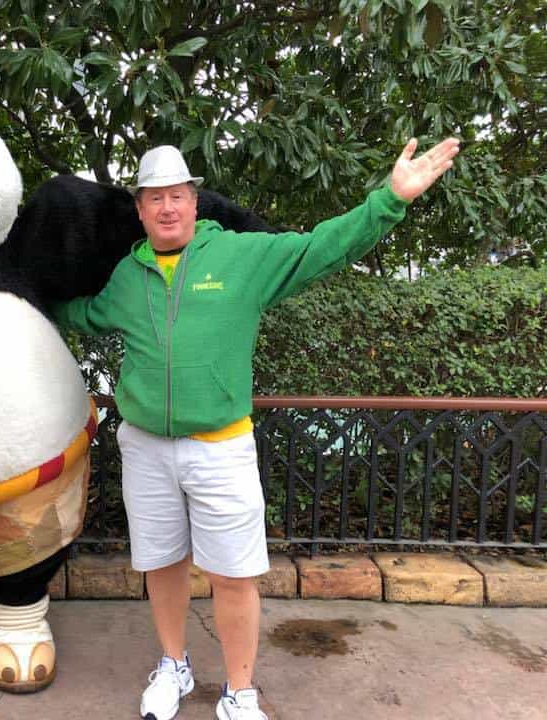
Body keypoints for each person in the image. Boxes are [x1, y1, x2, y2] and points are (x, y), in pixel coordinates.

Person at [53, 137, 460, 720]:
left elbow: (324, 247)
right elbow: (81, 314)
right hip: (144, 448)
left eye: (177, 195)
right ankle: (173, 665)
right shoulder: (126, 276)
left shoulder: (243, 257)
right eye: (154, 199)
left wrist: (389, 200)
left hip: (220, 448)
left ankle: (239, 692)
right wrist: (19, 295)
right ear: (139, 210)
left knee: (234, 574)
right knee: (161, 567)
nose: (167, 208)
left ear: (195, 202)